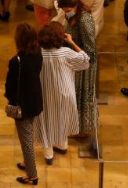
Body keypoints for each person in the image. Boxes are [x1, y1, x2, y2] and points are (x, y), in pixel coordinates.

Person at [35, 22, 89, 164]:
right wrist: (71, 42)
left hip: (45, 93)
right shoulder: (65, 52)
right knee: (62, 117)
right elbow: (85, 60)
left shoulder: (37, 53)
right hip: (65, 92)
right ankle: (62, 145)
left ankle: (48, 154)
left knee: (46, 121)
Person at [4, 24, 43, 185]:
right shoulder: (38, 54)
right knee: (29, 134)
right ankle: (27, 163)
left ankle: (32, 175)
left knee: (26, 140)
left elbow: (10, 85)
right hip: (35, 100)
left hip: (22, 104)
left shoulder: (16, 61)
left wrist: (9, 97)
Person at [57, 0, 98, 139]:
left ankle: (84, 129)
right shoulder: (72, 17)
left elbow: (90, 50)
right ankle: (76, 126)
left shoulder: (85, 19)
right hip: (75, 61)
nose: (66, 13)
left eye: (68, 10)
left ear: (75, 6)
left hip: (85, 64)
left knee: (83, 96)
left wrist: (71, 42)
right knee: (75, 94)